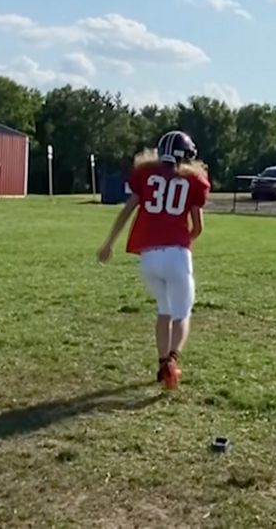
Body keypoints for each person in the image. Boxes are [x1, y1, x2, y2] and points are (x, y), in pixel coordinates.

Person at [98, 131, 210, 390]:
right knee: (182, 314)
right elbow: (197, 227)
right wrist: (183, 242)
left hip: (148, 256)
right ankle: (171, 362)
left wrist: (109, 243)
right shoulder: (194, 182)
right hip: (177, 254)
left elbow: (127, 211)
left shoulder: (146, 175)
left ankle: (161, 363)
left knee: (164, 310)